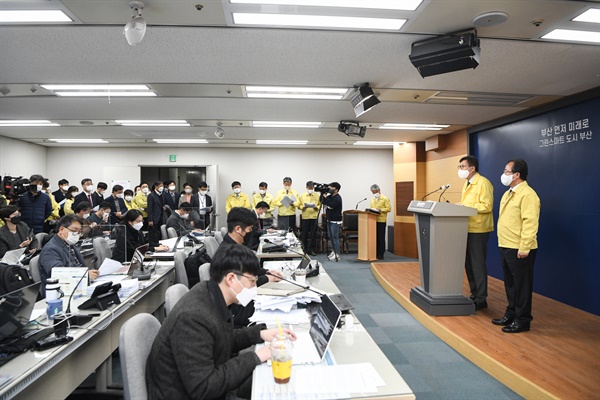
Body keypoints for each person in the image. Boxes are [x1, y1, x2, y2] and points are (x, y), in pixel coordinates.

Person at [146, 244, 296, 400]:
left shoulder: (211, 294)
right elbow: (204, 388)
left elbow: (222, 338)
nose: (254, 287)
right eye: (252, 281)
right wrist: (257, 356)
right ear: (231, 279)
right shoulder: (193, 318)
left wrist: (259, 334)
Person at [492, 159, 540, 334]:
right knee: (510, 284)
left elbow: (530, 223)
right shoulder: (508, 193)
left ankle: (522, 320)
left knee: (522, 286)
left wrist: (524, 247)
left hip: (520, 247)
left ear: (516, 174)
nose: (503, 174)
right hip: (506, 244)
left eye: (506, 171)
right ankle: (511, 313)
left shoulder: (528, 195)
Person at [457, 156, 494, 310]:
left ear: (472, 168)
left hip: (479, 229)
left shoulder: (483, 183)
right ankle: (474, 294)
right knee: (469, 264)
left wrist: (465, 205)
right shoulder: (467, 183)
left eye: (462, 166)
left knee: (477, 264)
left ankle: (481, 298)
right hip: (466, 227)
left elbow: (487, 206)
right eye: (459, 166)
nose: (460, 169)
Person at [38, 214, 99, 296]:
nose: (77, 234)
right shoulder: (50, 250)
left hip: (78, 287)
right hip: (61, 293)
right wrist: (85, 276)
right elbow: (58, 274)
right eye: (74, 231)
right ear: (61, 229)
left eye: (79, 232)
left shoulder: (70, 244)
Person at [369, 184, 392, 260]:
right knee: (374, 238)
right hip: (373, 220)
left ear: (379, 190)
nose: (374, 193)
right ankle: (374, 253)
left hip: (381, 220)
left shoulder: (385, 199)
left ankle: (380, 254)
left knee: (381, 238)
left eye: (375, 191)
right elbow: (371, 208)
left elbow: (389, 209)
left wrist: (380, 210)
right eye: (373, 192)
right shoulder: (372, 199)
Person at [298, 181, 321, 256]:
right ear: (306, 187)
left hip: (314, 216)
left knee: (313, 234)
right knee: (304, 233)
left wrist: (316, 207)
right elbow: (299, 205)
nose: (310, 189)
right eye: (309, 188)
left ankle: (312, 249)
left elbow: (320, 205)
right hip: (305, 216)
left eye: (312, 188)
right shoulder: (302, 195)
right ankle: (304, 249)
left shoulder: (317, 195)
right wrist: (302, 207)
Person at [322, 182, 342, 262]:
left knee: (335, 237)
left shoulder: (337, 198)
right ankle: (333, 251)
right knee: (331, 237)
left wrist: (326, 199)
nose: (330, 189)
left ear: (336, 189)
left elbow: (331, 205)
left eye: (332, 187)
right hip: (329, 219)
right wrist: (323, 195)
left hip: (335, 220)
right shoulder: (330, 196)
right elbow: (324, 202)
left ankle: (337, 253)